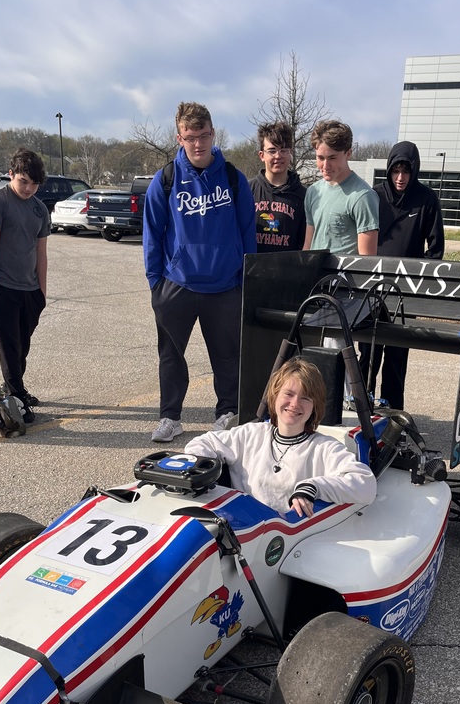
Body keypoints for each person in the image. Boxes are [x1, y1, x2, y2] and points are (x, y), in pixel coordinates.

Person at [143, 102, 256, 444]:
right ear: (179, 138)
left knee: (226, 356)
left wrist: (243, 280)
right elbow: (152, 233)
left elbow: (248, 232)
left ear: (213, 133)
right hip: (177, 285)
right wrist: (156, 285)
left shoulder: (234, 179)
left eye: (204, 135)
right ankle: (170, 417)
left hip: (224, 286)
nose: (198, 144)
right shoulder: (165, 181)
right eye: (190, 137)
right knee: (171, 356)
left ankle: (227, 411)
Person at [184, 357, 376, 517]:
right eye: (289, 394)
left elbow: (366, 484)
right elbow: (200, 444)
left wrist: (313, 486)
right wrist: (201, 470)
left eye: (305, 398)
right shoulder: (250, 433)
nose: (294, 404)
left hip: (289, 545)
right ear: (275, 396)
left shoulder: (324, 448)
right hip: (241, 529)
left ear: (315, 406)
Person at [365, 141, 445, 409]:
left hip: (405, 293)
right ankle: (363, 408)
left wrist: (419, 286)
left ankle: (391, 411)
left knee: (397, 355)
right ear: (388, 169)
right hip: (373, 289)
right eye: (395, 171)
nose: (400, 178)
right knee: (368, 353)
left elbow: (436, 249)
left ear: (415, 172)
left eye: (406, 171)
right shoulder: (373, 196)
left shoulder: (426, 199)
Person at [0, 147, 50, 424]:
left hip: (30, 290)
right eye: (24, 181)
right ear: (11, 174)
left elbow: (40, 252)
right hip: (3, 287)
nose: (29, 188)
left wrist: (42, 291)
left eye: (34, 184)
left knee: (22, 345)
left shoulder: (39, 208)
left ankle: (15, 387)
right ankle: (17, 397)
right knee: (9, 345)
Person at [303, 119, 380, 256]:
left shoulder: (363, 196)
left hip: (345, 277)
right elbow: (308, 245)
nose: (325, 166)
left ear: (348, 153)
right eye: (320, 158)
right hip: (314, 275)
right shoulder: (313, 192)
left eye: (332, 158)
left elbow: (367, 260)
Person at [249, 121, 307, 251]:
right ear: (261, 155)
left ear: (290, 153)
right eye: (272, 151)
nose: (278, 156)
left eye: (283, 150)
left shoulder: (303, 196)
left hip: (288, 269)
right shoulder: (247, 190)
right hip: (252, 269)